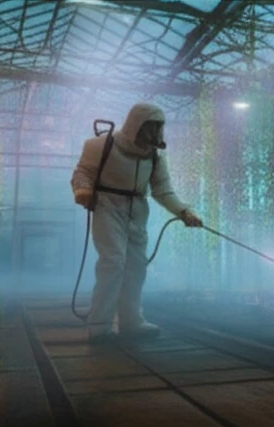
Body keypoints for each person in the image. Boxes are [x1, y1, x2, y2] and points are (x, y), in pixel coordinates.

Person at [71, 102, 203, 343]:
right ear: (135, 125)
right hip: (107, 206)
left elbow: (163, 191)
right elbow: (83, 173)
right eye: (150, 127)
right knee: (113, 263)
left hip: (137, 211)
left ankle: (131, 321)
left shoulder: (154, 157)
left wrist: (184, 212)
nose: (154, 134)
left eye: (158, 128)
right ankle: (99, 326)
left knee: (137, 265)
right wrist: (83, 191)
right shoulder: (101, 146)